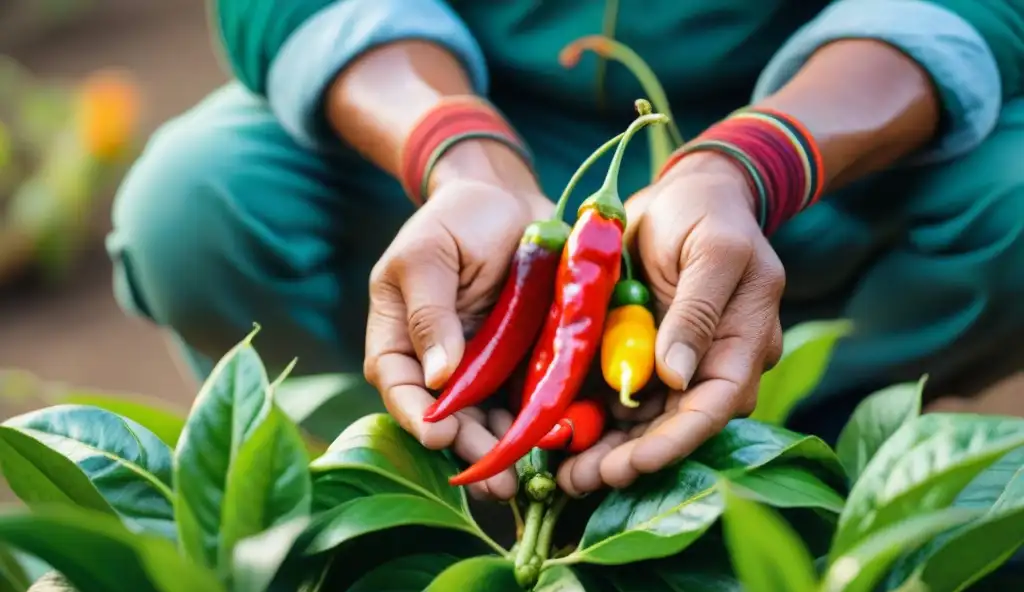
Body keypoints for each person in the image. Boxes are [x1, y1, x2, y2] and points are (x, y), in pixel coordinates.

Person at [106, 0, 1024, 500]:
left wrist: (751, 163)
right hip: (451, 118)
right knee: (193, 201)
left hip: (814, 134)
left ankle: (782, 460)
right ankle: (420, 473)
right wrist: (461, 156)